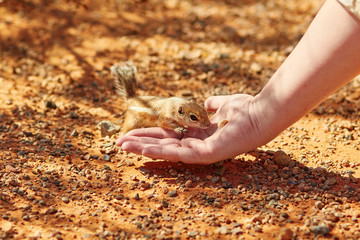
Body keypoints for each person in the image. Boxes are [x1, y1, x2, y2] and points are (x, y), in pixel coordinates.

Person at [116, 0, 360, 165]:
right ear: (180, 112)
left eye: (201, 118)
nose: (203, 123)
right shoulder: (169, 112)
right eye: (195, 119)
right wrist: (259, 116)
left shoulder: (180, 110)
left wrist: (260, 117)